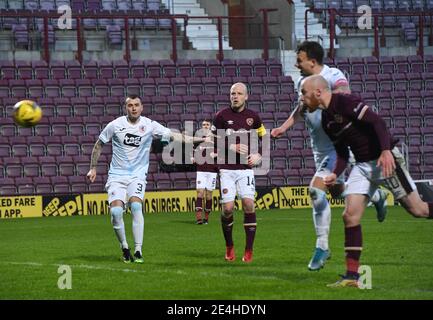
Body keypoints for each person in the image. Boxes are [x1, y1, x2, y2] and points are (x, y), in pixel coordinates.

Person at [300, 75, 433, 287]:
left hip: (384, 160)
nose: (302, 98)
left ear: (317, 92)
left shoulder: (346, 102)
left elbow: (377, 122)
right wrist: (336, 173)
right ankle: (352, 277)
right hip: (362, 166)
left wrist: (386, 150)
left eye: (304, 93)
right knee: (350, 216)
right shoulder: (326, 119)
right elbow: (342, 152)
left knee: (419, 210)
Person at [271, 40, 388, 271]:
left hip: (337, 146)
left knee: (315, 190)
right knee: (335, 190)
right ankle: (376, 197)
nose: (296, 63)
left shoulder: (333, 74)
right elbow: (302, 107)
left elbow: (344, 94)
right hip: (319, 149)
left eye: (299, 59)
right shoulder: (303, 83)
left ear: (312, 61)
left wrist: (325, 95)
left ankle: (322, 246)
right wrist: (284, 127)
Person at [87, 95, 209, 263]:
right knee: (116, 212)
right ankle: (124, 247)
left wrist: (199, 139)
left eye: (137, 105)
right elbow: (99, 144)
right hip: (117, 175)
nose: (134, 108)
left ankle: (138, 250)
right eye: (130, 105)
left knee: (136, 206)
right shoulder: (115, 125)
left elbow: (176, 136)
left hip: (137, 175)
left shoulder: (150, 125)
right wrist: (93, 167)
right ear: (126, 108)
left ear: (142, 107)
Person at [213, 82, 266, 263]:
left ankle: (249, 251)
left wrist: (259, 155)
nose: (235, 96)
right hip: (226, 169)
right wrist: (231, 146)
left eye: (238, 93)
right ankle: (229, 246)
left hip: (245, 170)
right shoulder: (221, 116)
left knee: (249, 205)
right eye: (232, 93)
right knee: (227, 209)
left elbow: (263, 137)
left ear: (246, 96)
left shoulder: (253, 117)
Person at [191, 119, 218, 225]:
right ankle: (198, 218)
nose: (205, 126)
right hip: (201, 169)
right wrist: (192, 157)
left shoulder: (216, 138)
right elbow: (192, 149)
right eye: (203, 124)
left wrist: (216, 155)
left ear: (210, 126)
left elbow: (224, 151)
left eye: (207, 124)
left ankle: (206, 218)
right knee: (200, 192)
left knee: (209, 194)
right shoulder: (198, 138)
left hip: (212, 170)